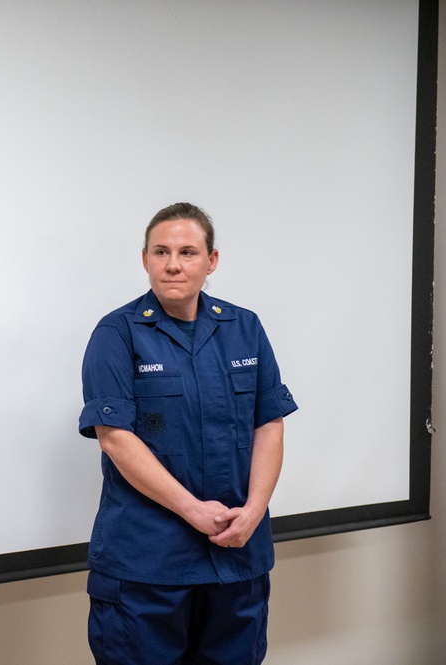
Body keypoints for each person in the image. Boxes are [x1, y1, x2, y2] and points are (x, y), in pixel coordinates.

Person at [78, 202, 298, 665]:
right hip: (148, 565)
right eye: (160, 251)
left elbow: (269, 422)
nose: (173, 264)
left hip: (238, 559)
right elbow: (115, 437)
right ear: (144, 259)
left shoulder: (245, 327)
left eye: (187, 251)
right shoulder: (117, 334)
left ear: (211, 261)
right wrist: (194, 511)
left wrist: (255, 510)